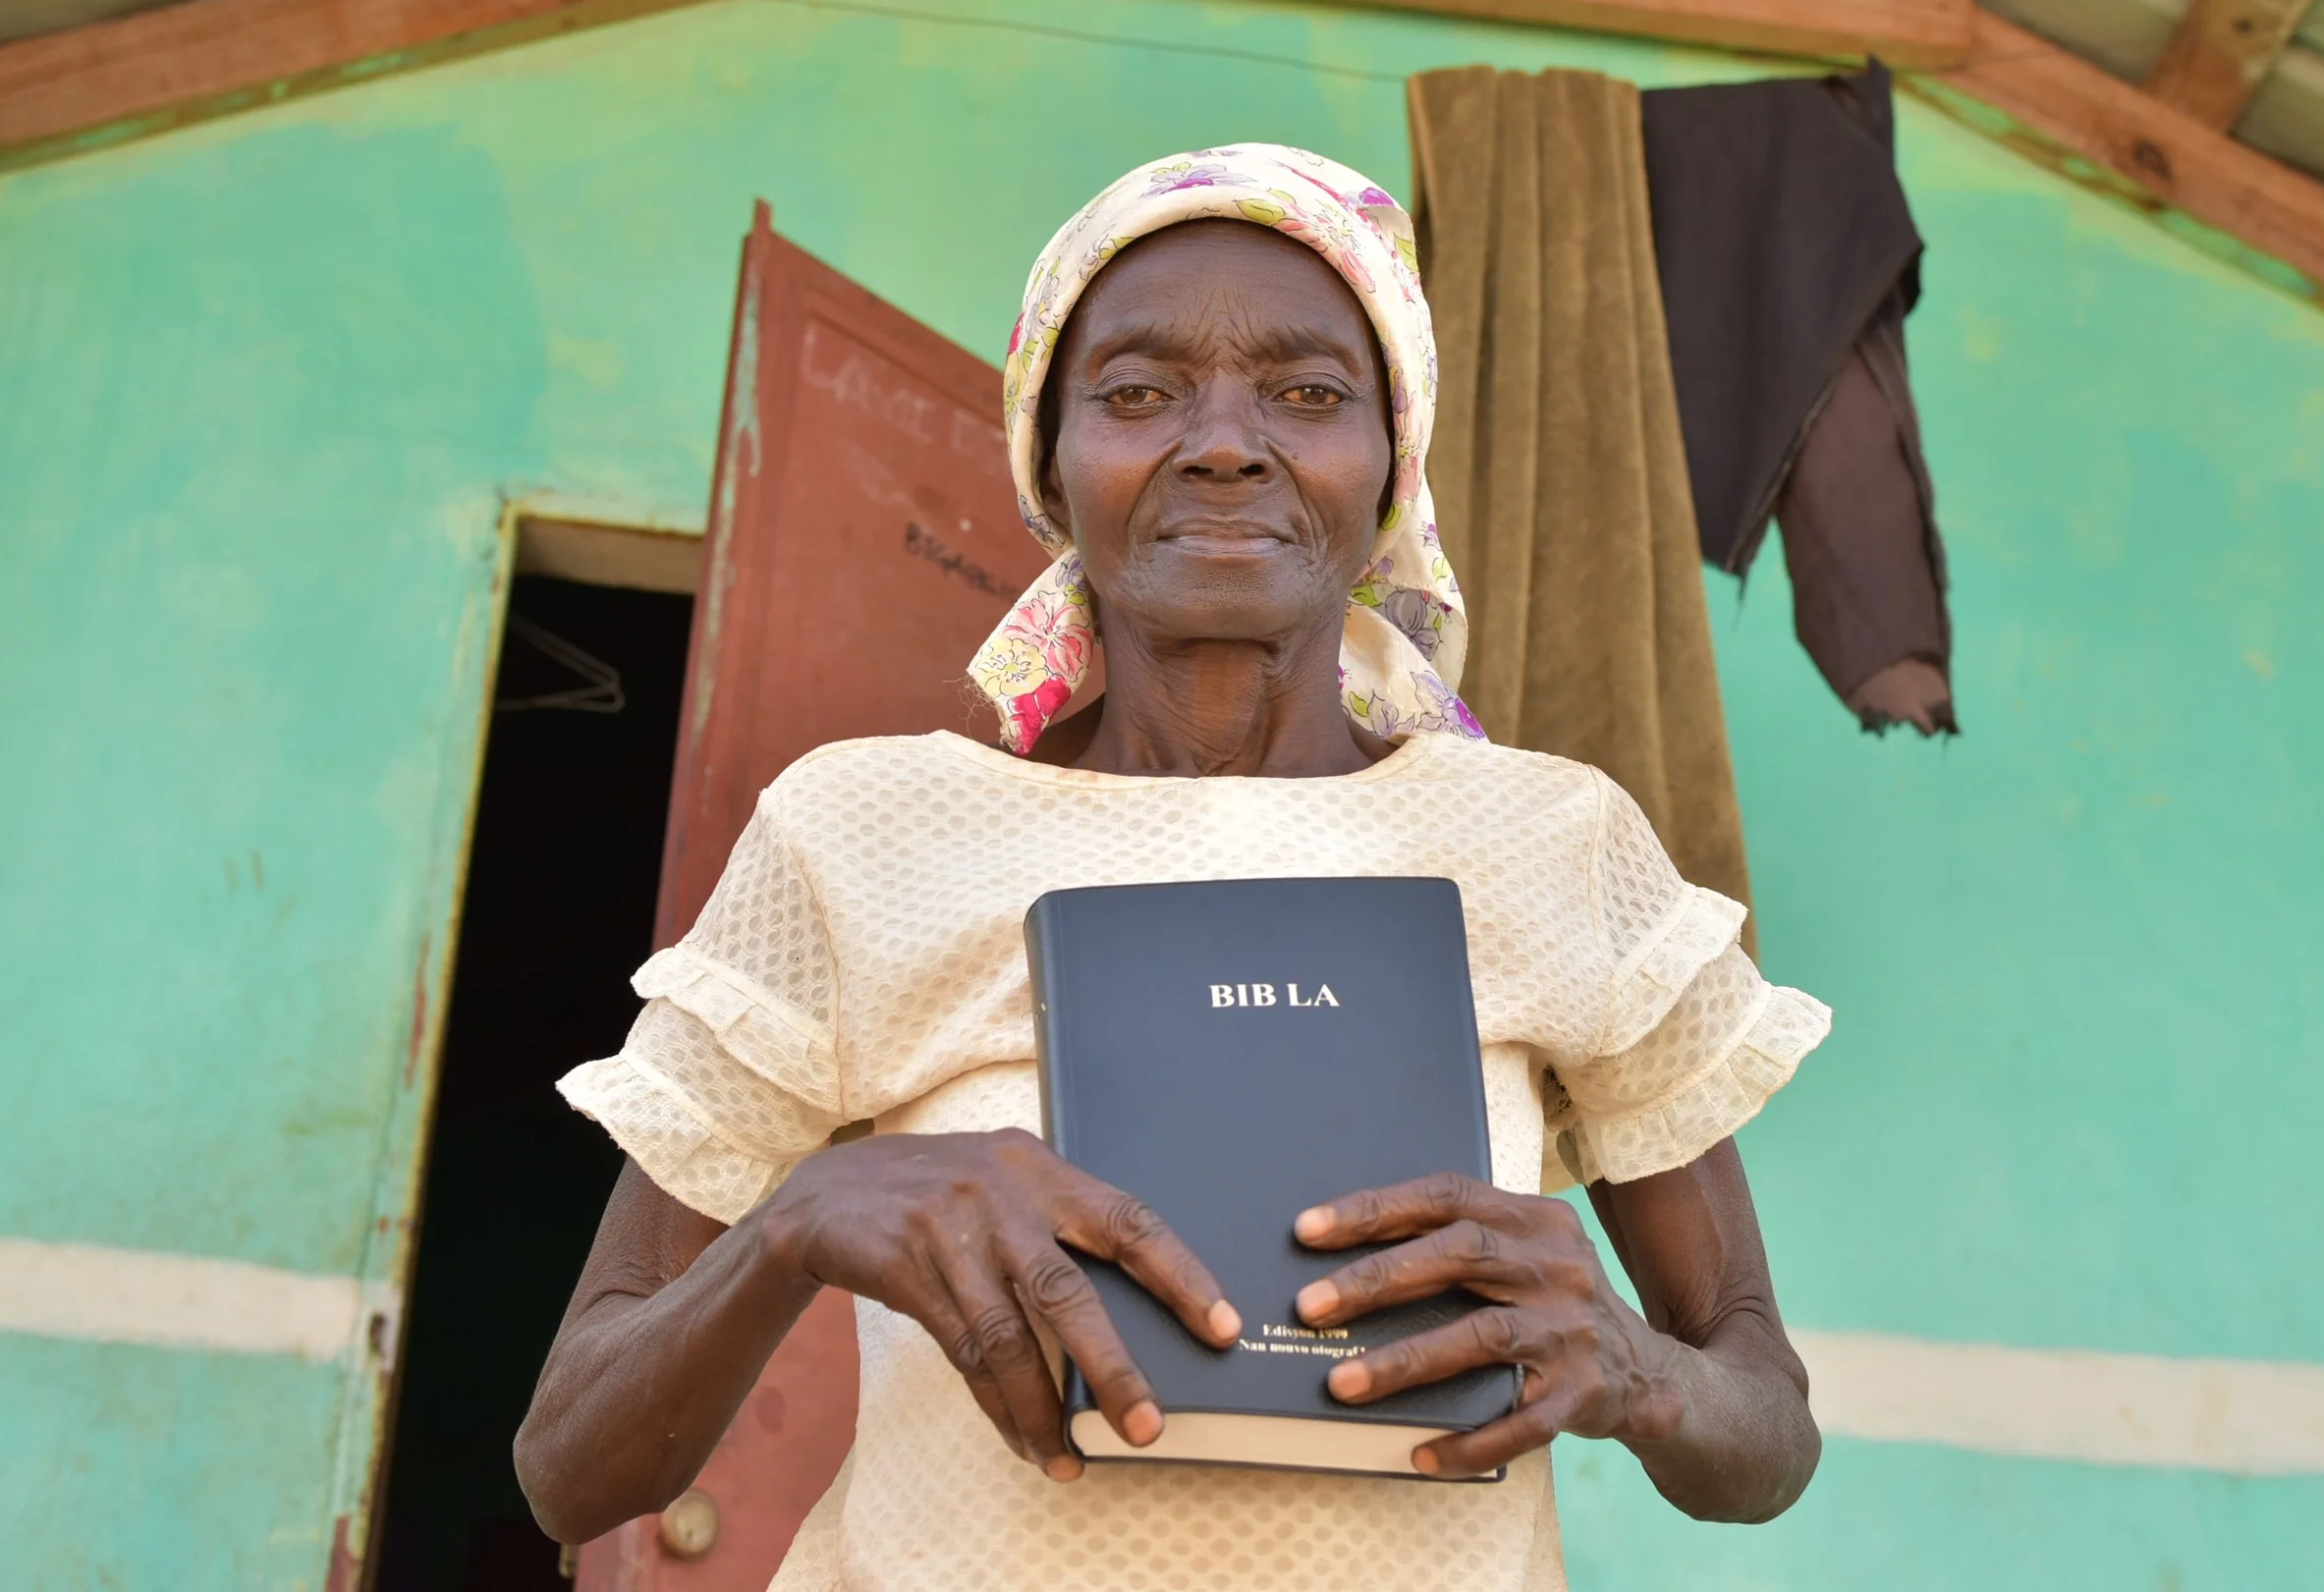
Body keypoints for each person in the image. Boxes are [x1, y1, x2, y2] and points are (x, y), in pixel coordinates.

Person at [517, 144, 1831, 1592]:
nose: (1221, 441)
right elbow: (573, 1462)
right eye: (1138, 392)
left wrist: (1635, 1367)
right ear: (1051, 462)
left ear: (1392, 462)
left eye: (1309, 393)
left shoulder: (1551, 841)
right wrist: (802, 1223)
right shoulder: (860, 831)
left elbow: (1764, 1432)